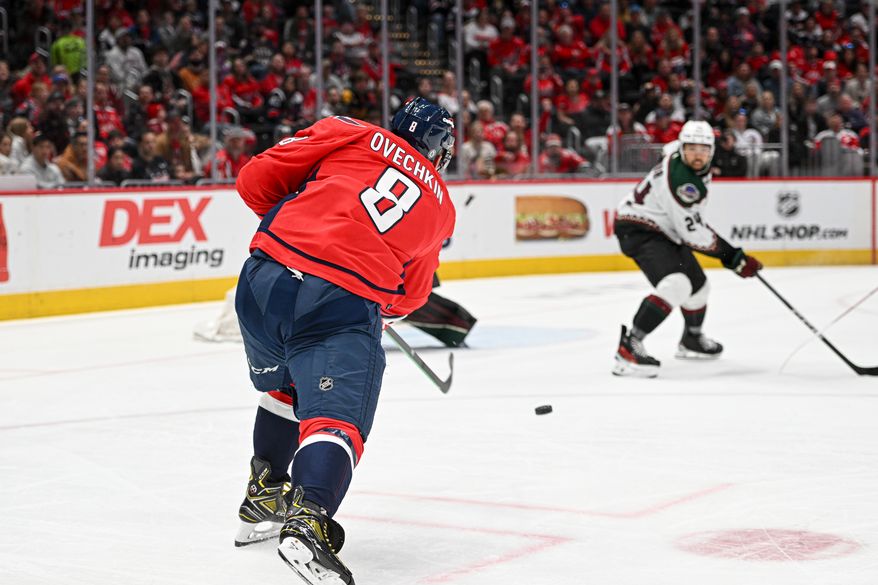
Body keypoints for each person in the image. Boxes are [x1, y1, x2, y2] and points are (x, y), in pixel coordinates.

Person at [232, 98, 456, 584]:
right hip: (337, 299)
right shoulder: (440, 204)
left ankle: (265, 494)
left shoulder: (348, 131)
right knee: (336, 418)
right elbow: (412, 293)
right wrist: (375, 306)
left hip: (261, 281)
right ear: (440, 149)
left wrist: (305, 222)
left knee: (288, 388)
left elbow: (253, 181)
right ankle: (308, 518)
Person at [612, 120, 762, 378]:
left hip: (664, 229)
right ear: (683, 148)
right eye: (691, 148)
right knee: (677, 284)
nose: (697, 155)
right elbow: (693, 234)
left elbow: (668, 150)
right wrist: (733, 258)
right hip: (638, 228)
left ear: (711, 151)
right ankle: (629, 346)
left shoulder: (679, 155)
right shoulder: (683, 184)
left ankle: (691, 339)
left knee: (699, 287)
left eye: (703, 149)